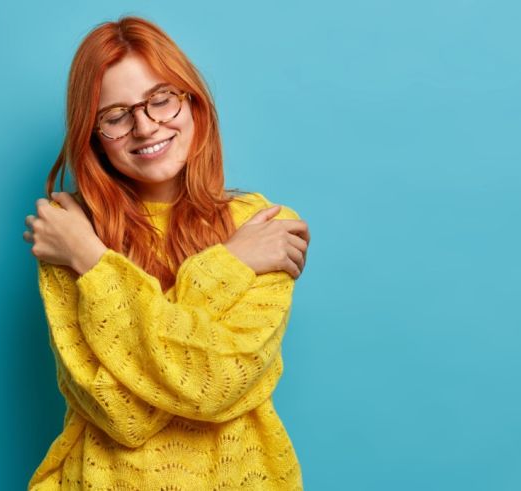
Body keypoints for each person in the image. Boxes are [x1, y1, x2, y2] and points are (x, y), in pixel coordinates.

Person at [22, 15, 311, 490]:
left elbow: (213, 383)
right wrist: (231, 265)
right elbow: (122, 415)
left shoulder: (262, 227)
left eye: (161, 99)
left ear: (193, 101)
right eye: (115, 116)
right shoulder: (69, 235)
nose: (145, 126)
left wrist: (92, 264)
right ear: (92, 135)